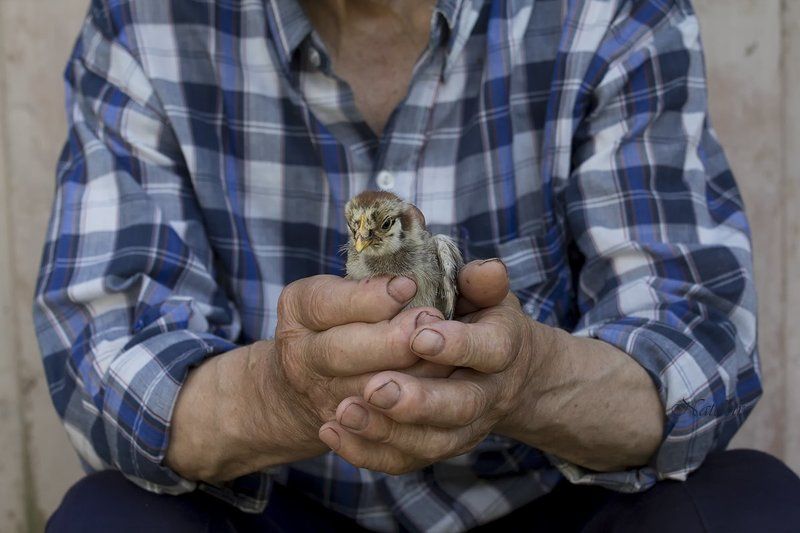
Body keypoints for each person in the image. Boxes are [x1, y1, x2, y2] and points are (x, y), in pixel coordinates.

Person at [34, 0, 800, 531]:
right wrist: (284, 391)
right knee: (112, 517)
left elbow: (699, 343)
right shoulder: (142, 23)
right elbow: (103, 360)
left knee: (748, 507)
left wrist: (525, 377)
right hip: (281, 508)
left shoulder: (610, 13)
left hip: (544, 504)